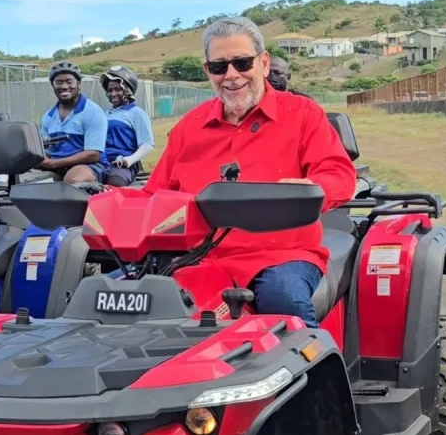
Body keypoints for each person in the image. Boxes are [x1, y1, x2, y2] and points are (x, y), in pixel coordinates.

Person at [115, 17, 356, 328]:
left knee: (282, 301)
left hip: (282, 256)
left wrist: (309, 188)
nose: (231, 75)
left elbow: (338, 174)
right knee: (127, 299)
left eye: (242, 63)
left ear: (264, 63)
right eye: (219, 67)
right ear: (208, 71)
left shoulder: (303, 115)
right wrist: (111, 203)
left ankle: (318, 375)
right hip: (201, 257)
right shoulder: (188, 129)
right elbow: (155, 194)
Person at [37, 61, 110, 184]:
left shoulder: (93, 112)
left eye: (69, 81)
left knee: (72, 180)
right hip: (57, 165)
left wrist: (53, 164)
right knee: (25, 180)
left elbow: (93, 154)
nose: (64, 86)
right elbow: (47, 151)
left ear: (78, 83)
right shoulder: (48, 116)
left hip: (91, 165)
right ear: (52, 85)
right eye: (59, 82)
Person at [99, 65, 155, 187]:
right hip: (100, 163)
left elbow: (147, 144)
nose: (112, 93)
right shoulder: (104, 114)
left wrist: (129, 160)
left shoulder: (136, 113)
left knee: (114, 185)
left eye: (117, 89)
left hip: (120, 164)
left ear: (127, 90)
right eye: (109, 90)